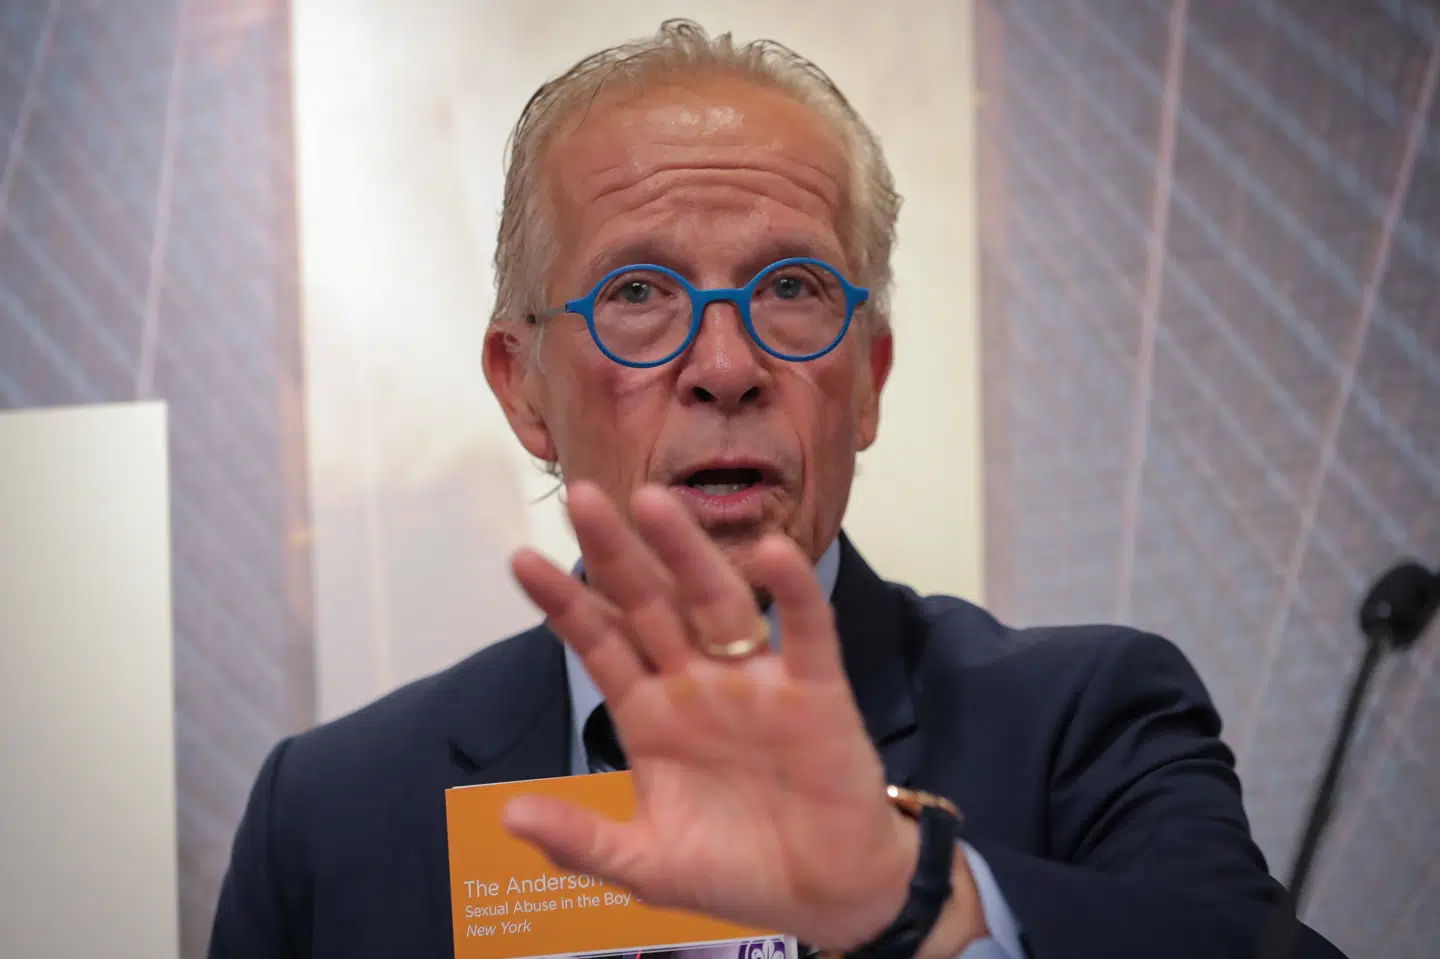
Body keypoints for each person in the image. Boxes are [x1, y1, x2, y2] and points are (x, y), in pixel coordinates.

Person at [210, 19, 1346, 959]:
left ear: (869, 380)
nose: (725, 365)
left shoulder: (1086, 722)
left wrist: (919, 901)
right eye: (639, 291)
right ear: (525, 387)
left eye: (792, 288)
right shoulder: (327, 811)